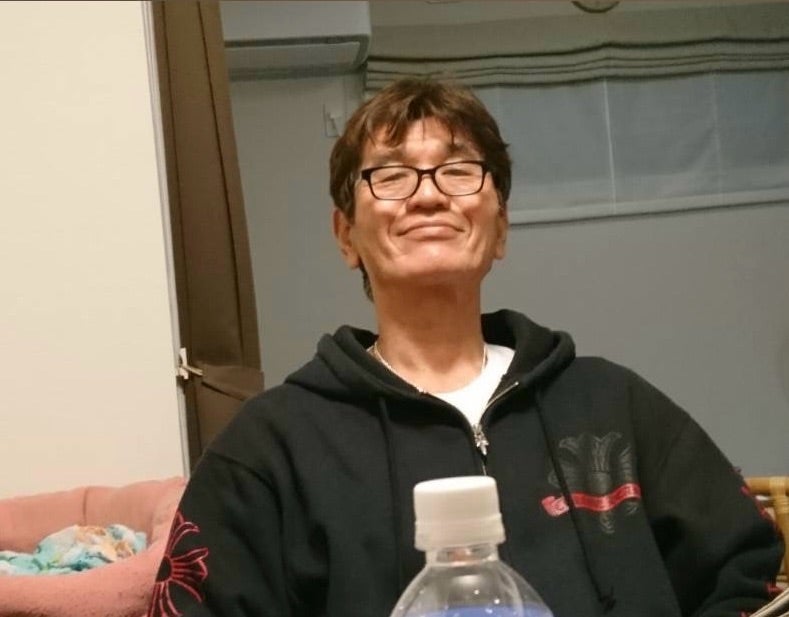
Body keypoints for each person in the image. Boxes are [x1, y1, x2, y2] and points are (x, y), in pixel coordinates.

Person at [147, 78, 783, 617]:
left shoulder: (613, 404)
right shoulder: (270, 447)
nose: (428, 194)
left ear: (499, 228)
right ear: (346, 236)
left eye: (458, 170)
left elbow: (747, 570)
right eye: (391, 174)